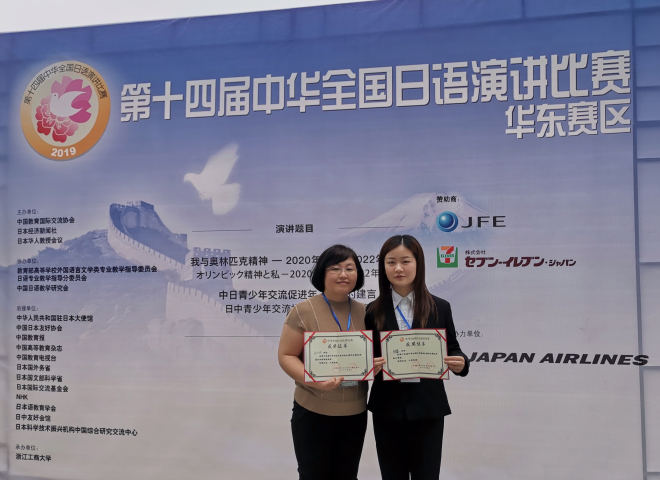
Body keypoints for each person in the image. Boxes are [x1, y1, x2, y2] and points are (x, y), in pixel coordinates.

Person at [365, 235, 470, 480]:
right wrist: (369, 366)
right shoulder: (372, 310)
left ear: (418, 264)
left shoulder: (439, 307)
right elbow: (369, 357)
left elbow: (453, 348)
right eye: (391, 262)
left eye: (405, 261)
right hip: (387, 408)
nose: (398, 268)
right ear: (383, 267)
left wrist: (461, 363)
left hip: (428, 407)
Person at [278, 244, 386, 480]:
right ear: (322, 273)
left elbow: (374, 355)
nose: (343, 274)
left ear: (358, 274)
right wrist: (314, 380)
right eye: (335, 268)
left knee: (347, 475)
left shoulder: (367, 313)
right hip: (313, 411)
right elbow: (286, 356)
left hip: (354, 413)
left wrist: (375, 365)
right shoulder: (303, 311)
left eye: (350, 268)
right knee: (313, 475)